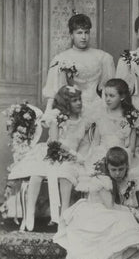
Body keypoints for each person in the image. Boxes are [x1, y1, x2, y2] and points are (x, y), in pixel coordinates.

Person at [54, 147, 139, 259]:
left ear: (126, 166)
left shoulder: (126, 180)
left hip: (104, 212)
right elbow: (110, 206)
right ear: (107, 167)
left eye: (121, 169)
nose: (117, 173)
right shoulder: (103, 179)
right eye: (113, 170)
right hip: (92, 214)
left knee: (124, 218)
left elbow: (128, 202)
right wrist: (130, 211)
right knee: (123, 218)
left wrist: (132, 210)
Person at [8, 86, 89, 231]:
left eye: (79, 100)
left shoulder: (83, 121)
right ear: (65, 103)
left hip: (71, 158)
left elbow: (83, 142)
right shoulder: (57, 117)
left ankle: (64, 213)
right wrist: (69, 151)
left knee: (66, 174)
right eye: (74, 100)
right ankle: (30, 211)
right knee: (37, 172)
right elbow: (54, 141)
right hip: (53, 152)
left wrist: (78, 155)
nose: (79, 103)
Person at [85, 78, 139, 194]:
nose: (107, 99)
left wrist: (123, 157)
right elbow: (96, 142)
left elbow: (131, 147)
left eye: (111, 96)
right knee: (98, 171)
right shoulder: (101, 114)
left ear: (122, 97)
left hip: (123, 153)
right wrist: (93, 156)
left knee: (125, 170)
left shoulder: (130, 116)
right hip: (102, 152)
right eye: (106, 95)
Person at [43, 13, 115, 120]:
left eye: (86, 32)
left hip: (98, 107)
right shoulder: (61, 59)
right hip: (74, 109)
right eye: (79, 33)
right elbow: (55, 92)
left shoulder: (103, 57)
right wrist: (49, 115)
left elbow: (108, 88)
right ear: (71, 35)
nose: (84, 37)